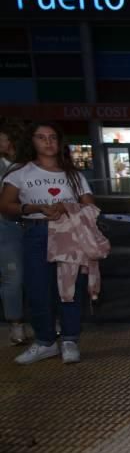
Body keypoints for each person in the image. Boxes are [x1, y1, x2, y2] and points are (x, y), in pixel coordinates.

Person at [0, 121, 96, 364]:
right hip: (36, 232)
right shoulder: (20, 174)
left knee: (70, 288)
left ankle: (70, 340)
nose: (48, 142)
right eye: (41, 137)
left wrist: (66, 207)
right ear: (31, 142)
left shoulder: (73, 175)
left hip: (69, 233)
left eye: (53, 137)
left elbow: (90, 205)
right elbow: (5, 205)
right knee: (37, 289)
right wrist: (32, 208)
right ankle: (45, 342)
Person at [0, 123, 26, 345]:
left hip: (34, 226)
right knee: (13, 277)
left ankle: (47, 320)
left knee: (42, 276)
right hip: (6, 229)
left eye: (4, 138)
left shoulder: (30, 167)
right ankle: (16, 324)